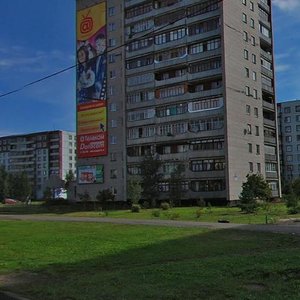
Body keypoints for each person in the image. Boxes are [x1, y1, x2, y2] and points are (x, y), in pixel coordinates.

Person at [93, 33, 107, 100]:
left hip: (103, 92)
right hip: (96, 92)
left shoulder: (105, 58)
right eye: (97, 45)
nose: (98, 47)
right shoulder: (96, 59)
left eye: (102, 45)